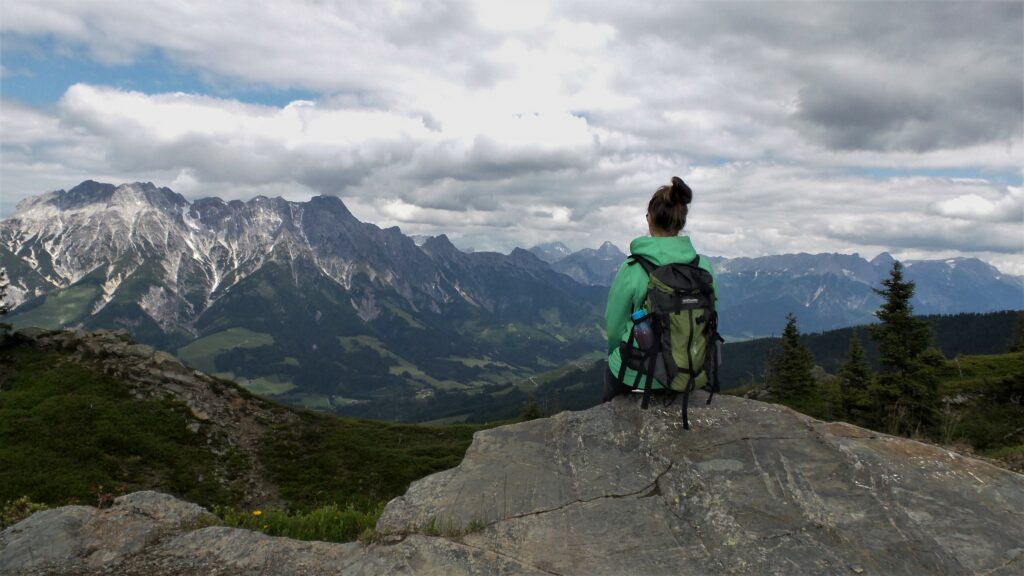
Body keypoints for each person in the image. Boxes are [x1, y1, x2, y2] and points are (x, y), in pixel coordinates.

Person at [602, 176, 718, 402]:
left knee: (611, 374)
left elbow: (614, 324)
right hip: (689, 370)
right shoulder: (702, 266)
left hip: (638, 373)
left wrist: (615, 356)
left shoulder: (633, 266)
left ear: (650, 219)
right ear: (681, 222)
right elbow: (711, 314)